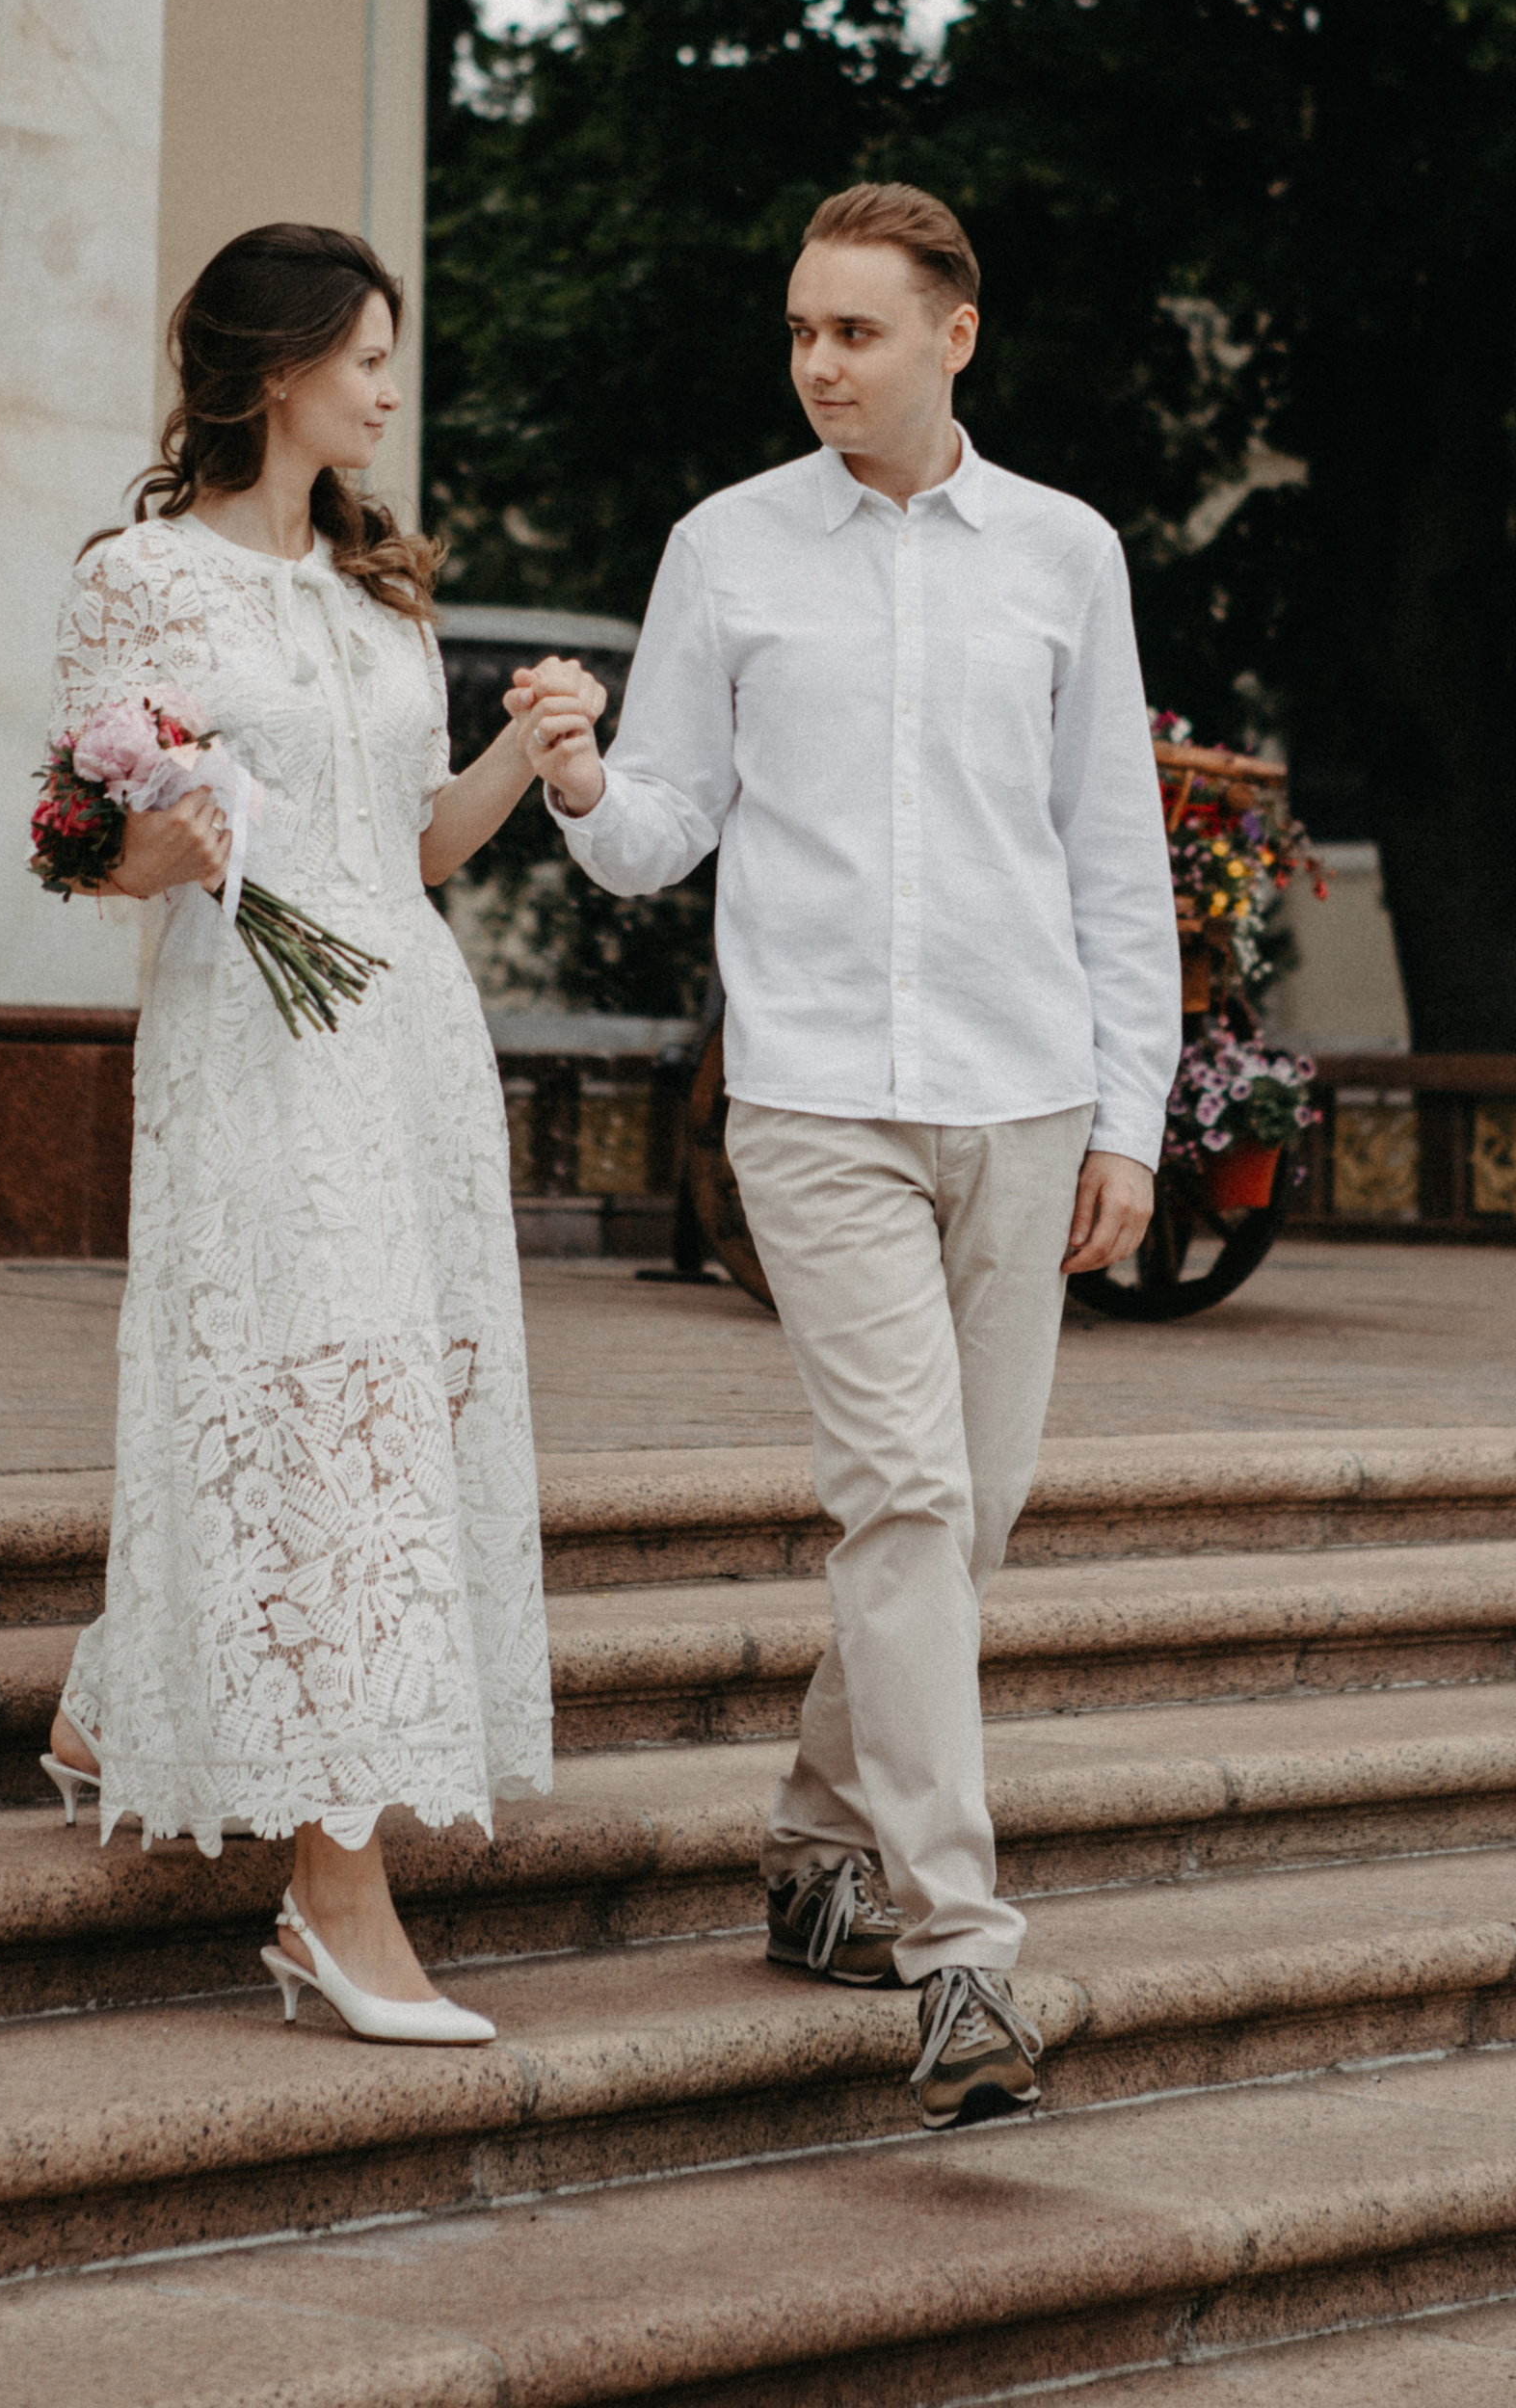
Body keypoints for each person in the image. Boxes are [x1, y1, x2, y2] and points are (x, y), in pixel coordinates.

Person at [518, 182, 1178, 2128]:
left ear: (951, 334)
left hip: (1022, 1091)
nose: (817, 364)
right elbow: (659, 830)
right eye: (800, 332)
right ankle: (956, 1952)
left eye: (854, 332)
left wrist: (1126, 1119)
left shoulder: (1062, 553)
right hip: (811, 1100)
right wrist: (575, 784)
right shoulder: (724, 550)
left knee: (961, 1522)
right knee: (896, 1498)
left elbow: (1109, 859)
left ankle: (816, 1826)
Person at [41, 222, 602, 2044]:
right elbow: (82, 845)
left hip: (409, 1040)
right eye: (368, 355)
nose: (389, 386)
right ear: (279, 370)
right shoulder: (137, 581)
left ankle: (122, 1685)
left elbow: (415, 847)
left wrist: (524, 748)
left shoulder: (384, 603)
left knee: (386, 1403)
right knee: (314, 1416)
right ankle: (335, 1902)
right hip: (255, 1042)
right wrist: (169, 836)